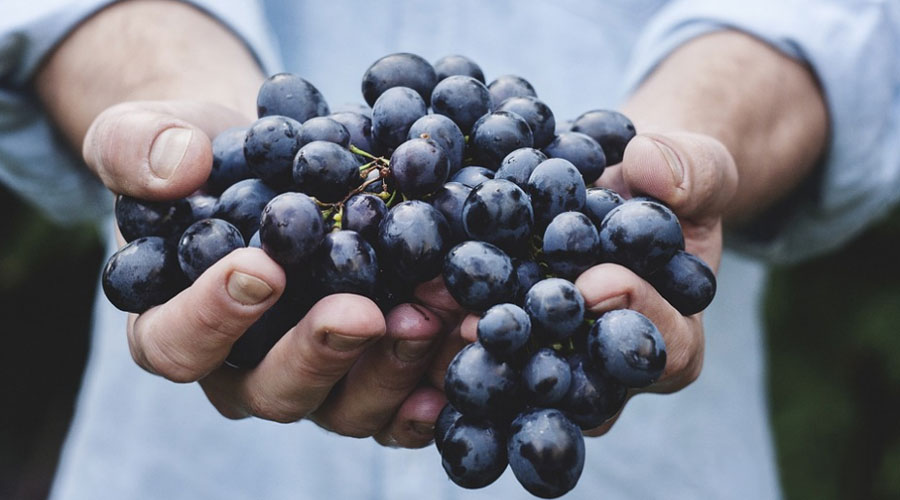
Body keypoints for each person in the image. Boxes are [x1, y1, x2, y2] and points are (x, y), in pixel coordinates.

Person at [2, 0, 898, 498]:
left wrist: (696, 137)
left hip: (633, 404)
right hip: (195, 455)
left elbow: (851, 28)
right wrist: (168, 97)